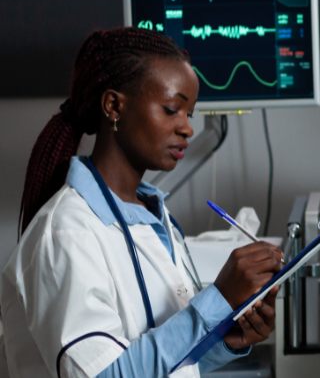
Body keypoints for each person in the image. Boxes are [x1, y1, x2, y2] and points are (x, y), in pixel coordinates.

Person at [1, 28, 286, 377]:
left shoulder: (155, 217)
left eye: (190, 114)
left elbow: (167, 359)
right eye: (172, 110)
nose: (187, 129)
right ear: (113, 106)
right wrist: (217, 300)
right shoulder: (66, 233)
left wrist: (227, 339)